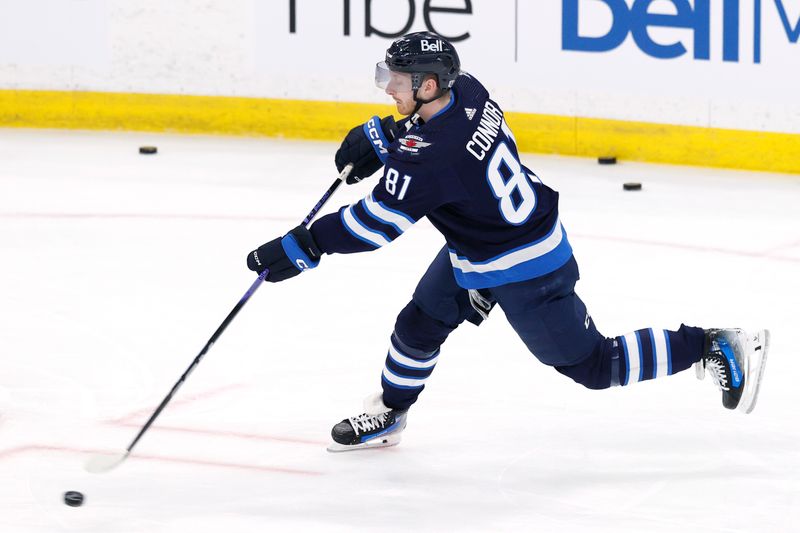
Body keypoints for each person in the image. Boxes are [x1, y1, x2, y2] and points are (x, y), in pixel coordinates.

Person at [246, 32, 770, 452]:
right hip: (481, 243)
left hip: (527, 266)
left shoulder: (428, 156)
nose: (389, 89)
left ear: (429, 86)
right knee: (419, 323)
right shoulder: (468, 90)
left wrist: (304, 245)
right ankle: (390, 412)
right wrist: (383, 136)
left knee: (591, 364)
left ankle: (709, 343)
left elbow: (374, 224)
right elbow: (434, 142)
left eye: (398, 81)